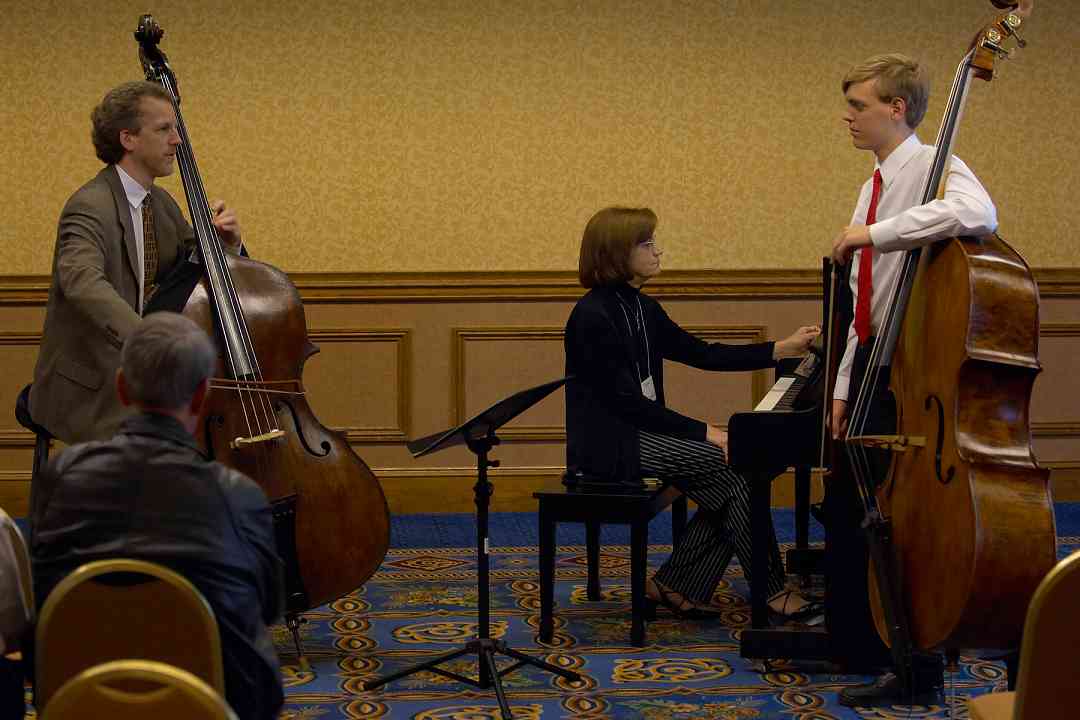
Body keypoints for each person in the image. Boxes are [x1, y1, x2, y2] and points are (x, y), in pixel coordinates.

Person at [827, 53, 998, 707]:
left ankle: (917, 661)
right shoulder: (872, 182)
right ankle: (872, 643)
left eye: (859, 106)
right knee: (858, 511)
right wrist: (843, 387)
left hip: (912, 371)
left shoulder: (930, 167)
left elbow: (978, 214)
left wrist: (877, 233)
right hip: (875, 366)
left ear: (896, 109)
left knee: (904, 519)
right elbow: (863, 301)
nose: (848, 116)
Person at [565, 206, 821, 619]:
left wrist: (779, 349)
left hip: (641, 435)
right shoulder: (591, 317)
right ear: (616, 253)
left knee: (736, 481)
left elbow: (702, 353)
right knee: (739, 470)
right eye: (646, 244)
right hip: (610, 446)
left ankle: (673, 585)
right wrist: (707, 432)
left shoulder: (641, 308)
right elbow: (626, 404)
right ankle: (768, 591)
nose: (658, 251)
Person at [30, 312, 284, 720]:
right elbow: (270, 607)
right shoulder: (238, 497)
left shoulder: (62, 476)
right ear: (202, 397)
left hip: (80, 699)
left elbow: (41, 598)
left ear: (121, 388)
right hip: (209, 703)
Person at [30, 80, 242, 445]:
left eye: (175, 129)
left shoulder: (160, 205)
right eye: (163, 129)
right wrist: (147, 343)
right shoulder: (89, 205)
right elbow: (82, 282)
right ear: (128, 139)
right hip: (91, 385)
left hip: (145, 379)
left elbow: (198, 267)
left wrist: (228, 245)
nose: (178, 140)